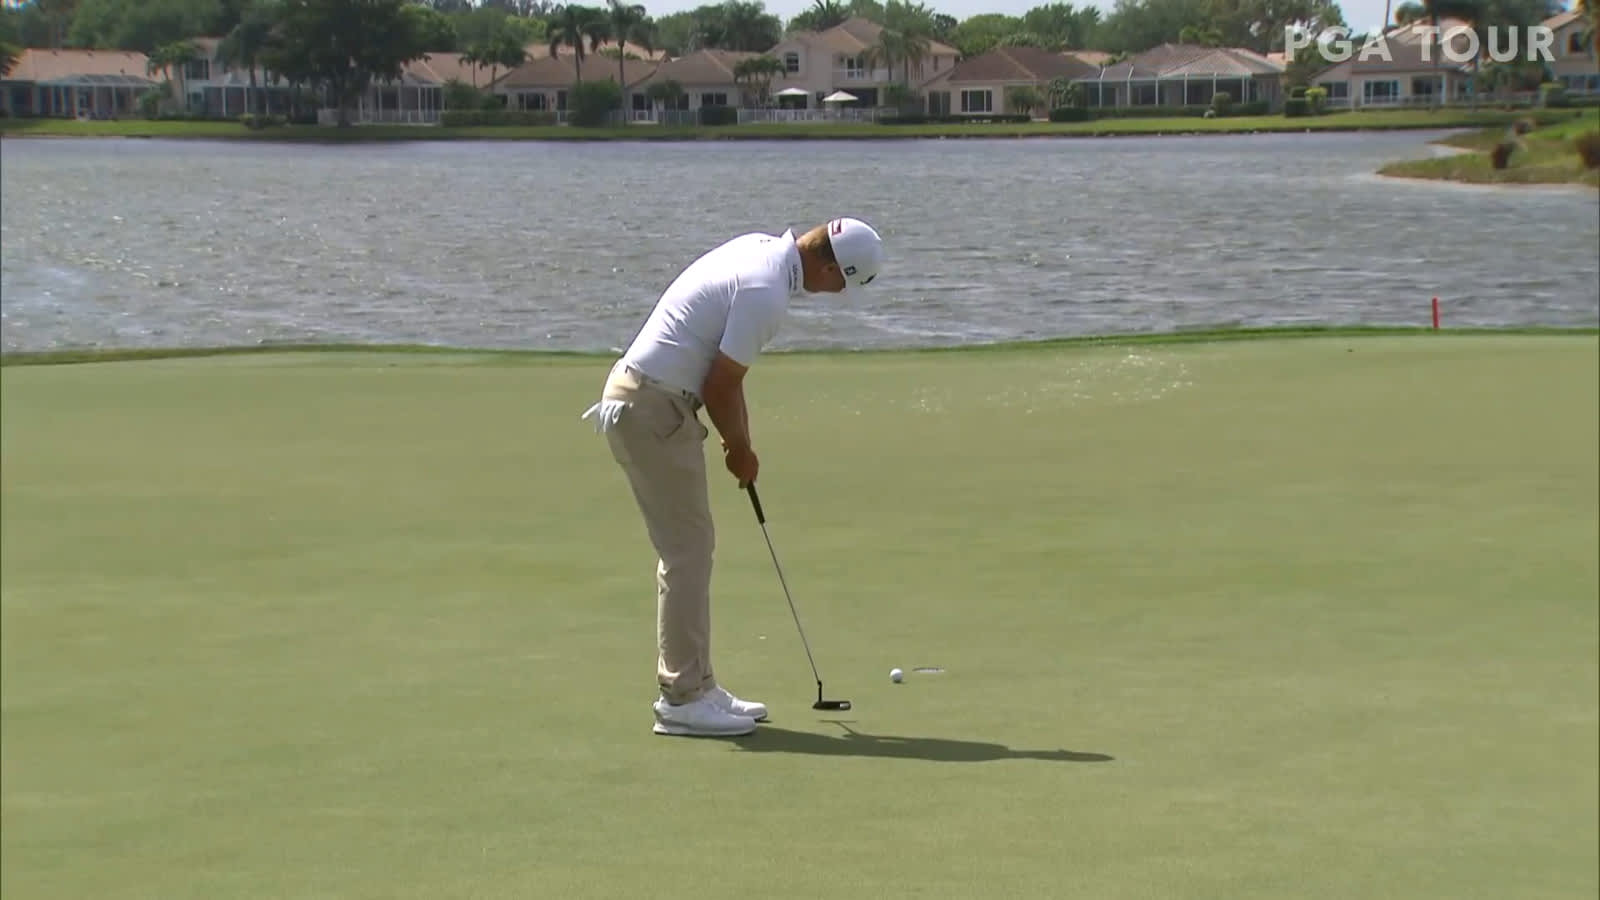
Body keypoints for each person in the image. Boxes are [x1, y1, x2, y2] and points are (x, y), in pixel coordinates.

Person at [581, 217, 886, 738]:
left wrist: (738, 443)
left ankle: (699, 686)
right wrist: (739, 450)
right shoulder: (767, 291)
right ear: (829, 266)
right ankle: (680, 699)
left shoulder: (759, 252)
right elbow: (720, 386)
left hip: (652, 401)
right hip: (651, 407)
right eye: (843, 283)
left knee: (693, 546)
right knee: (687, 552)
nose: (837, 294)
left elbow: (727, 380)